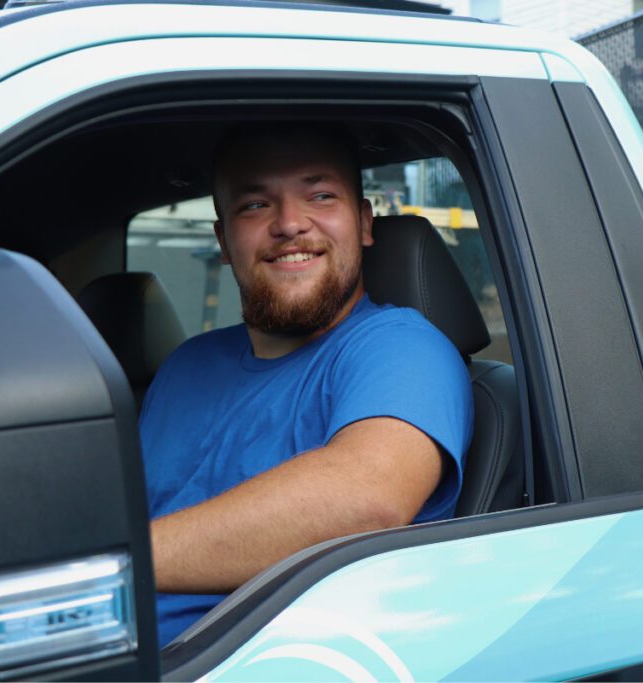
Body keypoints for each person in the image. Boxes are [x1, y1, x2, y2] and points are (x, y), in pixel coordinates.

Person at [138, 122, 474, 647]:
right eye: (254, 205)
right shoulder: (186, 364)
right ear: (223, 240)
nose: (290, 223)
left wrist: (113, 562)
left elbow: (368, 496)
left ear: (364, 223)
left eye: (320, 195)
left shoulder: (401, 347)